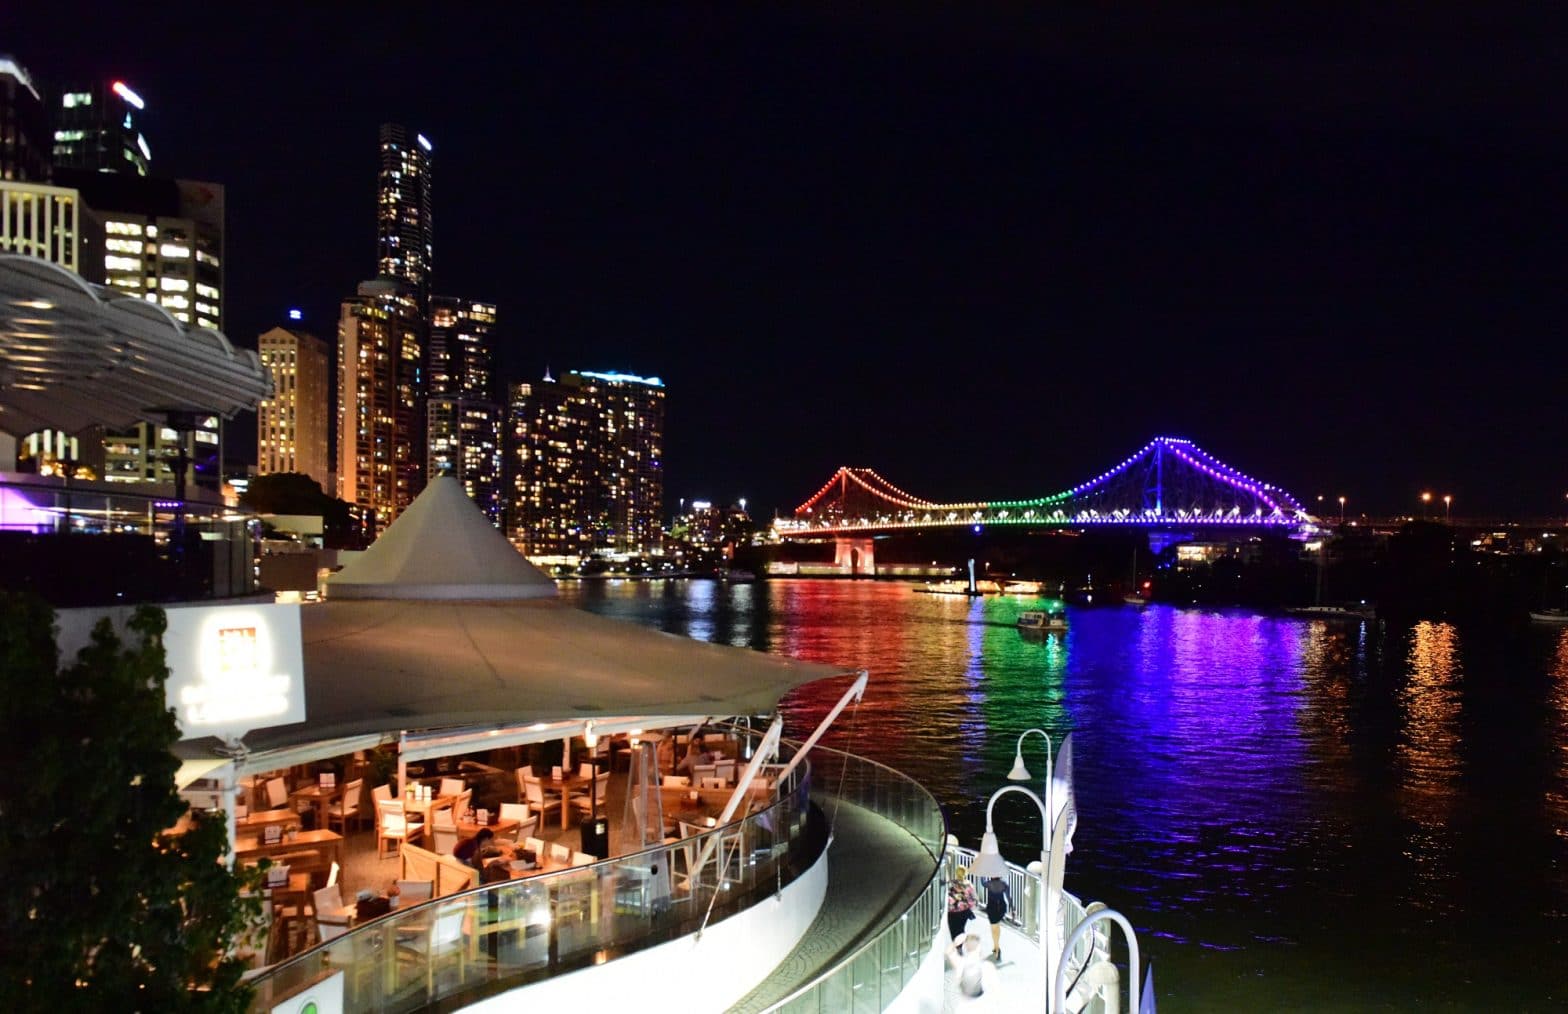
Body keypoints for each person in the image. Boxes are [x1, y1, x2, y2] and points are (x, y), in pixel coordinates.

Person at [946, 865, 979, 941]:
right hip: (964, 911)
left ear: (956, 873)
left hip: (951, 911)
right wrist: (970, 906)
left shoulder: (951, 883)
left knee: (953, 930)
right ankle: (960, 945)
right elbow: (975, 898)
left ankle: (956, 944)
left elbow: (947, 896)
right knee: (961, 929)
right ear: (965, 874)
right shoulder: (969, 885)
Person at [983, 875, 1009, 961]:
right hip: (1001, 907)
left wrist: (982, 874)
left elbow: (982, 883)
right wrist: (1013, 909)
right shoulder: (1004, 884)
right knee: (996, 926)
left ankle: (997, 948)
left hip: (992, 908)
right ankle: (995, 946)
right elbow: (1008, 897)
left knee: (994, 928)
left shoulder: (988, 884)